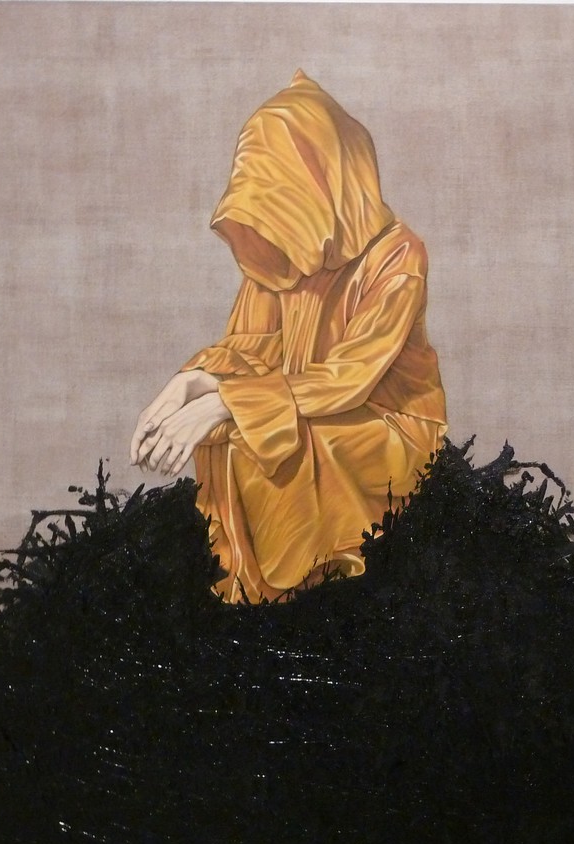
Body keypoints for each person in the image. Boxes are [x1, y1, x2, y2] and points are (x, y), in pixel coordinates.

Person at [130, 71, 447, 602]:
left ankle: (293, 592)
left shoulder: (399, 256)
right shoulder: (280, 251)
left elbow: (350, 379)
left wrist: (225, 402)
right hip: (302, 400)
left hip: (385, 422)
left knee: (266, 444)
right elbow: (255, 346)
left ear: (323, 177)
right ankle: (249, 593)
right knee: (238, 438)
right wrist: (194, 381)